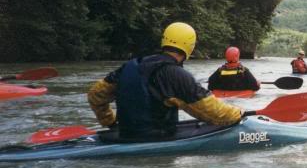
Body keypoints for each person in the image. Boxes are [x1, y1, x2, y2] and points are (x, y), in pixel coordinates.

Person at [87, 22, 243, 139]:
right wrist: (238, 114)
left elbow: (95, 94)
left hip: (124, 134)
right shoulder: (177, 75)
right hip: (154, 140)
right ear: (190, 46)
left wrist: (110, 123)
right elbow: (212, 110)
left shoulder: (131, 65)